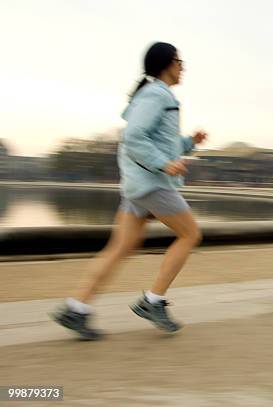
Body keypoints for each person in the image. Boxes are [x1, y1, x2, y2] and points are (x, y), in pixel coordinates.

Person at [51, 42, 207, 340]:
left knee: (120, 248)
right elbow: (134, 137)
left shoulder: (154, 95)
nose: (183, 66)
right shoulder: (157, 95)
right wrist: (163, 164)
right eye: (179, 61)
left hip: (139, 185)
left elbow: (160, 141)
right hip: (153, 184)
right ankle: (153, 301)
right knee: (190, 235)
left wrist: (189, 143)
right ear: (166, 63)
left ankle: (76, 309)